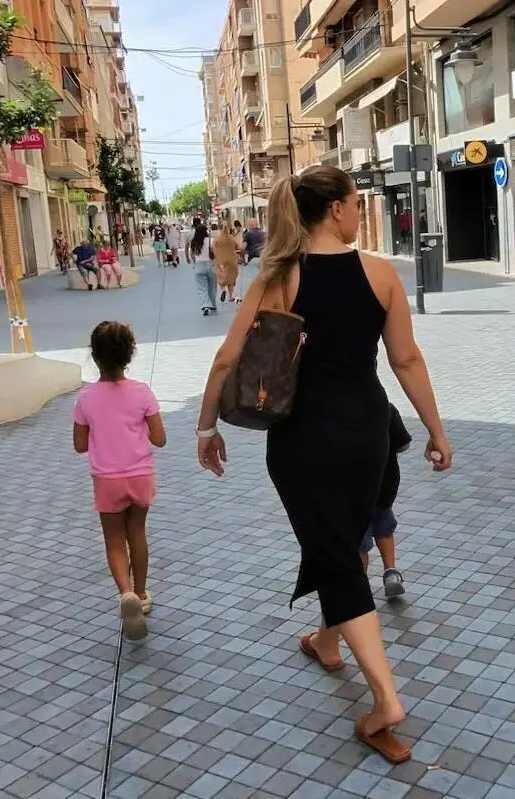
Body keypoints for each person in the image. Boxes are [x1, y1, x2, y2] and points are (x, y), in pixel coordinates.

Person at [194, 165, 453, 765]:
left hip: (302, 440)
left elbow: (225, 359)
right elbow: (407, 360)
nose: (359, 211)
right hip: (368, 433)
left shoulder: (278, 277)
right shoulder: (381, 274)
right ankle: (326, 640)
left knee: (333, 551)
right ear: (335, 210)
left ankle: (386, 699)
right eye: (356, 202)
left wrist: (207, 427)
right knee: (341, 541)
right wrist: (436, 431)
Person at [73, 321, 167, 641]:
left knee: (115, 540)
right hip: (140, 475)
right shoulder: (142, 392)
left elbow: (80, 444)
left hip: (107, 479)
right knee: (137, 533)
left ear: (94, 356)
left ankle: (124, 592)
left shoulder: (85, 398)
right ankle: (141, 595)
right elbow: (160, 438)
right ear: (129, 354)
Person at [361, 404, 411, 599]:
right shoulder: (386, 408)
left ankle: (361, 584)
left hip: (354, 492)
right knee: (384, 529)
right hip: (384, 485)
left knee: (359, 541)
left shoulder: (337, 411)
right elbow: (403, 444)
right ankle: (390, 572)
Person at [187, 222, 217, 315]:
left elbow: (192, 255)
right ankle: (212, 304)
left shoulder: (194, 242)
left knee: (202, 287)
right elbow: (215, 253)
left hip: (199, 265)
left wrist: (194, 263)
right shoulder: (211, 240)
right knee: (212, 286)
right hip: (210, 265)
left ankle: (205, 305)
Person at [212, 221, 240, 305]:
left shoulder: (217, 239)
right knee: (231, 278)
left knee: (221, 277)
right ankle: (231, 297)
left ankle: (223, 290)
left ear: (220, 229)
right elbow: (237, 246)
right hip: (232, 260)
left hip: (220, 261)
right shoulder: (231, 238)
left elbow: (213, 249)